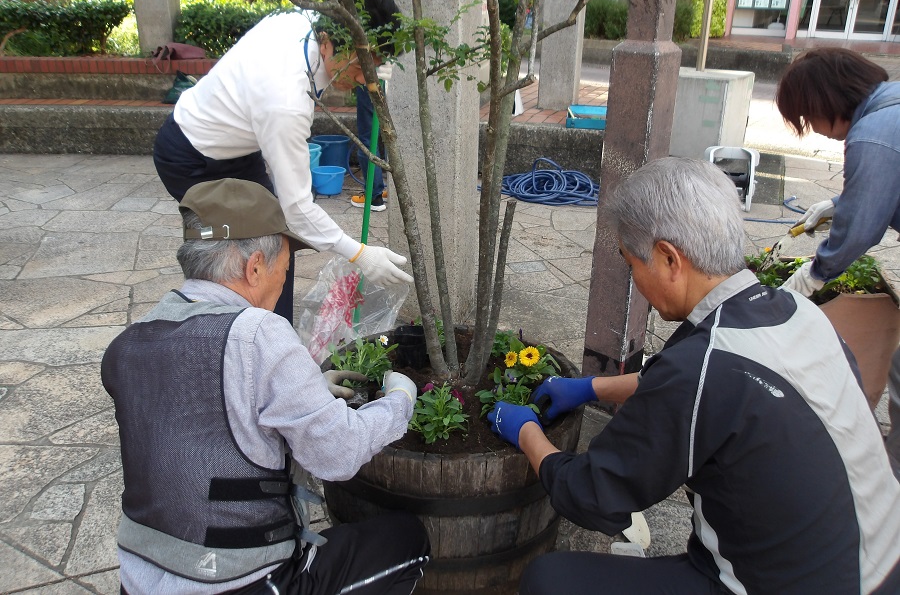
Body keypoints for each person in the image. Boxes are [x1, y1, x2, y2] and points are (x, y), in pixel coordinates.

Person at [487, 157, 900, 594]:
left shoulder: (701, 368)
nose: (634, 279)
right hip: (885, 560)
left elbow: (594, 495)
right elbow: (709, 387)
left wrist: (527, 431)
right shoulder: (794, 312)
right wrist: (592, 387)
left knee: (550, 580)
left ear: (668, 258)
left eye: (632, 264)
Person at [101, 178, 430, 594]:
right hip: (241, 581)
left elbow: (201, 414)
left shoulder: (129, 342)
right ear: (254, 266)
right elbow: (339, 454)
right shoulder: (257, 335)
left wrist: (305, 387)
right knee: (406, 538)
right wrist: (400, 398)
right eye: (285, 269)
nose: (282, 282)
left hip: (139, 577)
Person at [152, 0, 413, 324]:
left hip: (239, 148)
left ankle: (274, 342)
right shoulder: (286, 99)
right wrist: (360, 253)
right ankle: (236, 346)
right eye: (361, 64)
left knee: (276, 251)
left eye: (375, 64)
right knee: (238, 266)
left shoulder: (304, 19)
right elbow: (297, 209)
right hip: (191, 154)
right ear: (326, 40)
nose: (366, 78)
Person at [775, 47, 900, 481]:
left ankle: (890, 490)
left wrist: (817, 271)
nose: (817, 131)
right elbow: (879, 191)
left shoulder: (873, 134)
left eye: (809, 119)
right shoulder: (893, 105)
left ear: (829, 101)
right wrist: (838, 203)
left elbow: (862, 227)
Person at [313, 0, 388, 213]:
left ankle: (374, 194)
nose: (362, 80)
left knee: (369, 133)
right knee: (376, 132)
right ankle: (378, 188)